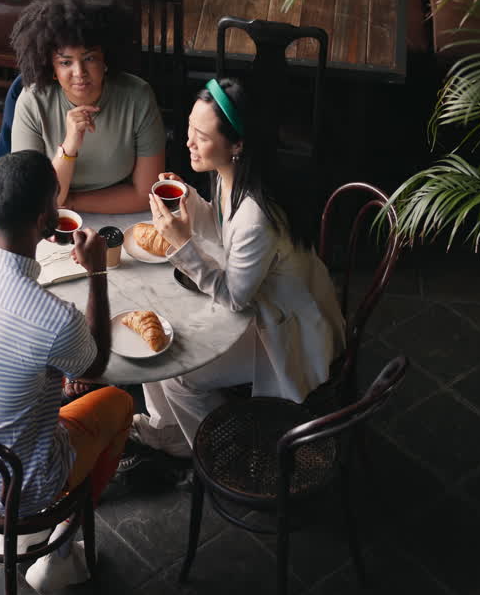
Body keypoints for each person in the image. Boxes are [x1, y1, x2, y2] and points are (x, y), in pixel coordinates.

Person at [0, 150, 132, 591]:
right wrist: (97, 271)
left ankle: (32, 536)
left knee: (48, 388)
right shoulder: (54, 319)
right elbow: (95, 364)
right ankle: (60, 549)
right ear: (47, 220)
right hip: (21, 487)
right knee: (119, 402)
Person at [127, 78, 347, 461]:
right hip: (268, 308)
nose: (188, 143)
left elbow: (236, 296)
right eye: (190, 130)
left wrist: (182, 244)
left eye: (201, 136)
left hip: (285, 331)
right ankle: (170, 430)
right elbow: (221, 229)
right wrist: (190, 201)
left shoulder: (255, 216)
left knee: (180, 372)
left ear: (237, 145)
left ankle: (224, 455)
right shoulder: (232, 177)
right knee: (158, 341)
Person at [9, 0, 167, 213]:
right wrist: (69, 147)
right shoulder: (32, 102)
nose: (79, 73)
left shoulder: (138, 97)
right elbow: (33, 198)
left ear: (106, 58)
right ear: (51, 67)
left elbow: (146, 194)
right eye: (65, 62)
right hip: (49, 218)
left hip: (121, 212)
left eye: (90, 58)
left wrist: (70, 202)